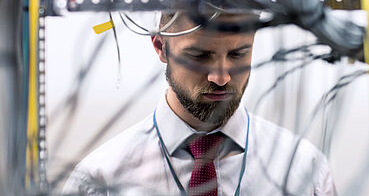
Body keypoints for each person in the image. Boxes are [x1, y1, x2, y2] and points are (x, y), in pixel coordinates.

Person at [63, 12, 336, 196]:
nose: (221, 77)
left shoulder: (306, 171)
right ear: (160, 47)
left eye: (238, 54)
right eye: (199, 55)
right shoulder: (101, 178)